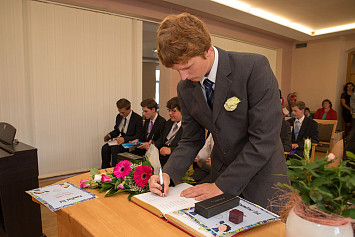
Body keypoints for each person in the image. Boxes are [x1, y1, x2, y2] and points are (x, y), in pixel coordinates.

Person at [148, 13, 289, 211]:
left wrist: (221, 186)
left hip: (262, 179)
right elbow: (191, 140)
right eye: (177, 70)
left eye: (187, 67)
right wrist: (168, 174)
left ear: (206, 50)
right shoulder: (185, 87)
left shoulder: (254, 67)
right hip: (219, 176)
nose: (183, 76)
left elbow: (263, 140)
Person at [101, 98, 144, 168]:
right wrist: (110, 135)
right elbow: (117, 131)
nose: (121, 114)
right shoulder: (119, 117)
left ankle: (115, 170)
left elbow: (139, 135)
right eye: (119, 112)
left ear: (129, 109)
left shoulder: (137, 118)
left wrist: (124, 139)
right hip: (121, 141)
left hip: (130, 142)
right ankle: (105, 169)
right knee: (105, 148)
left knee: (114, 149)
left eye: (123, 112)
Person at [153, 97, 183, 167]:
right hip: (161, 155)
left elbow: (188, 148)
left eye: (173, 111)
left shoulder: (188, 127)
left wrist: (171, 150)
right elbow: (162, 138)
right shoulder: (169, 122)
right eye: (169, 110)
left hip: (175, 158)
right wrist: (153, 145)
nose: (170, 113)